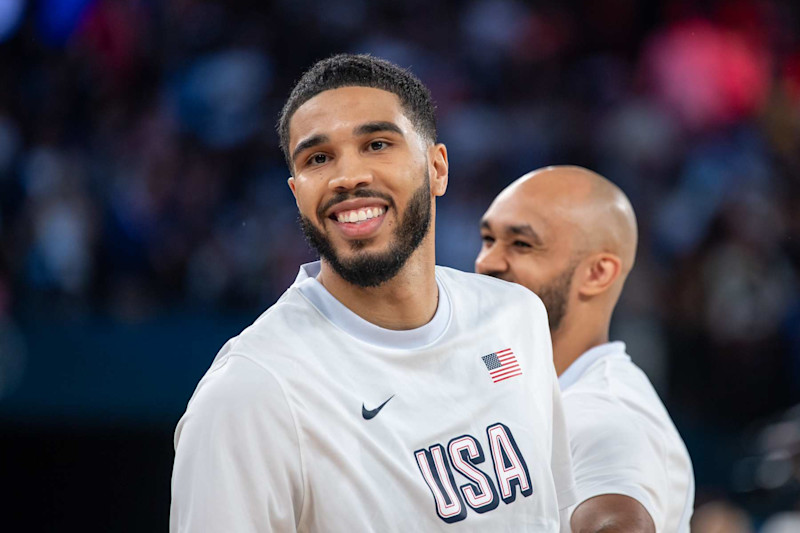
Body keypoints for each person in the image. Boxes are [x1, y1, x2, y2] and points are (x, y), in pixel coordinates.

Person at [170, 54, 577, 532]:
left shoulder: (517, 316)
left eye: (377, 144)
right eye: (318, 158)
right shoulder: (251, 392)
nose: (348, 176)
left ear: (437, 168)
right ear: (297, 192)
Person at [475, 165, 695, 533]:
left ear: (597, 274)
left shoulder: (604, 410)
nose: (486, 262)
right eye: (487, 238)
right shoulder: (516, 381)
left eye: (521, 244)